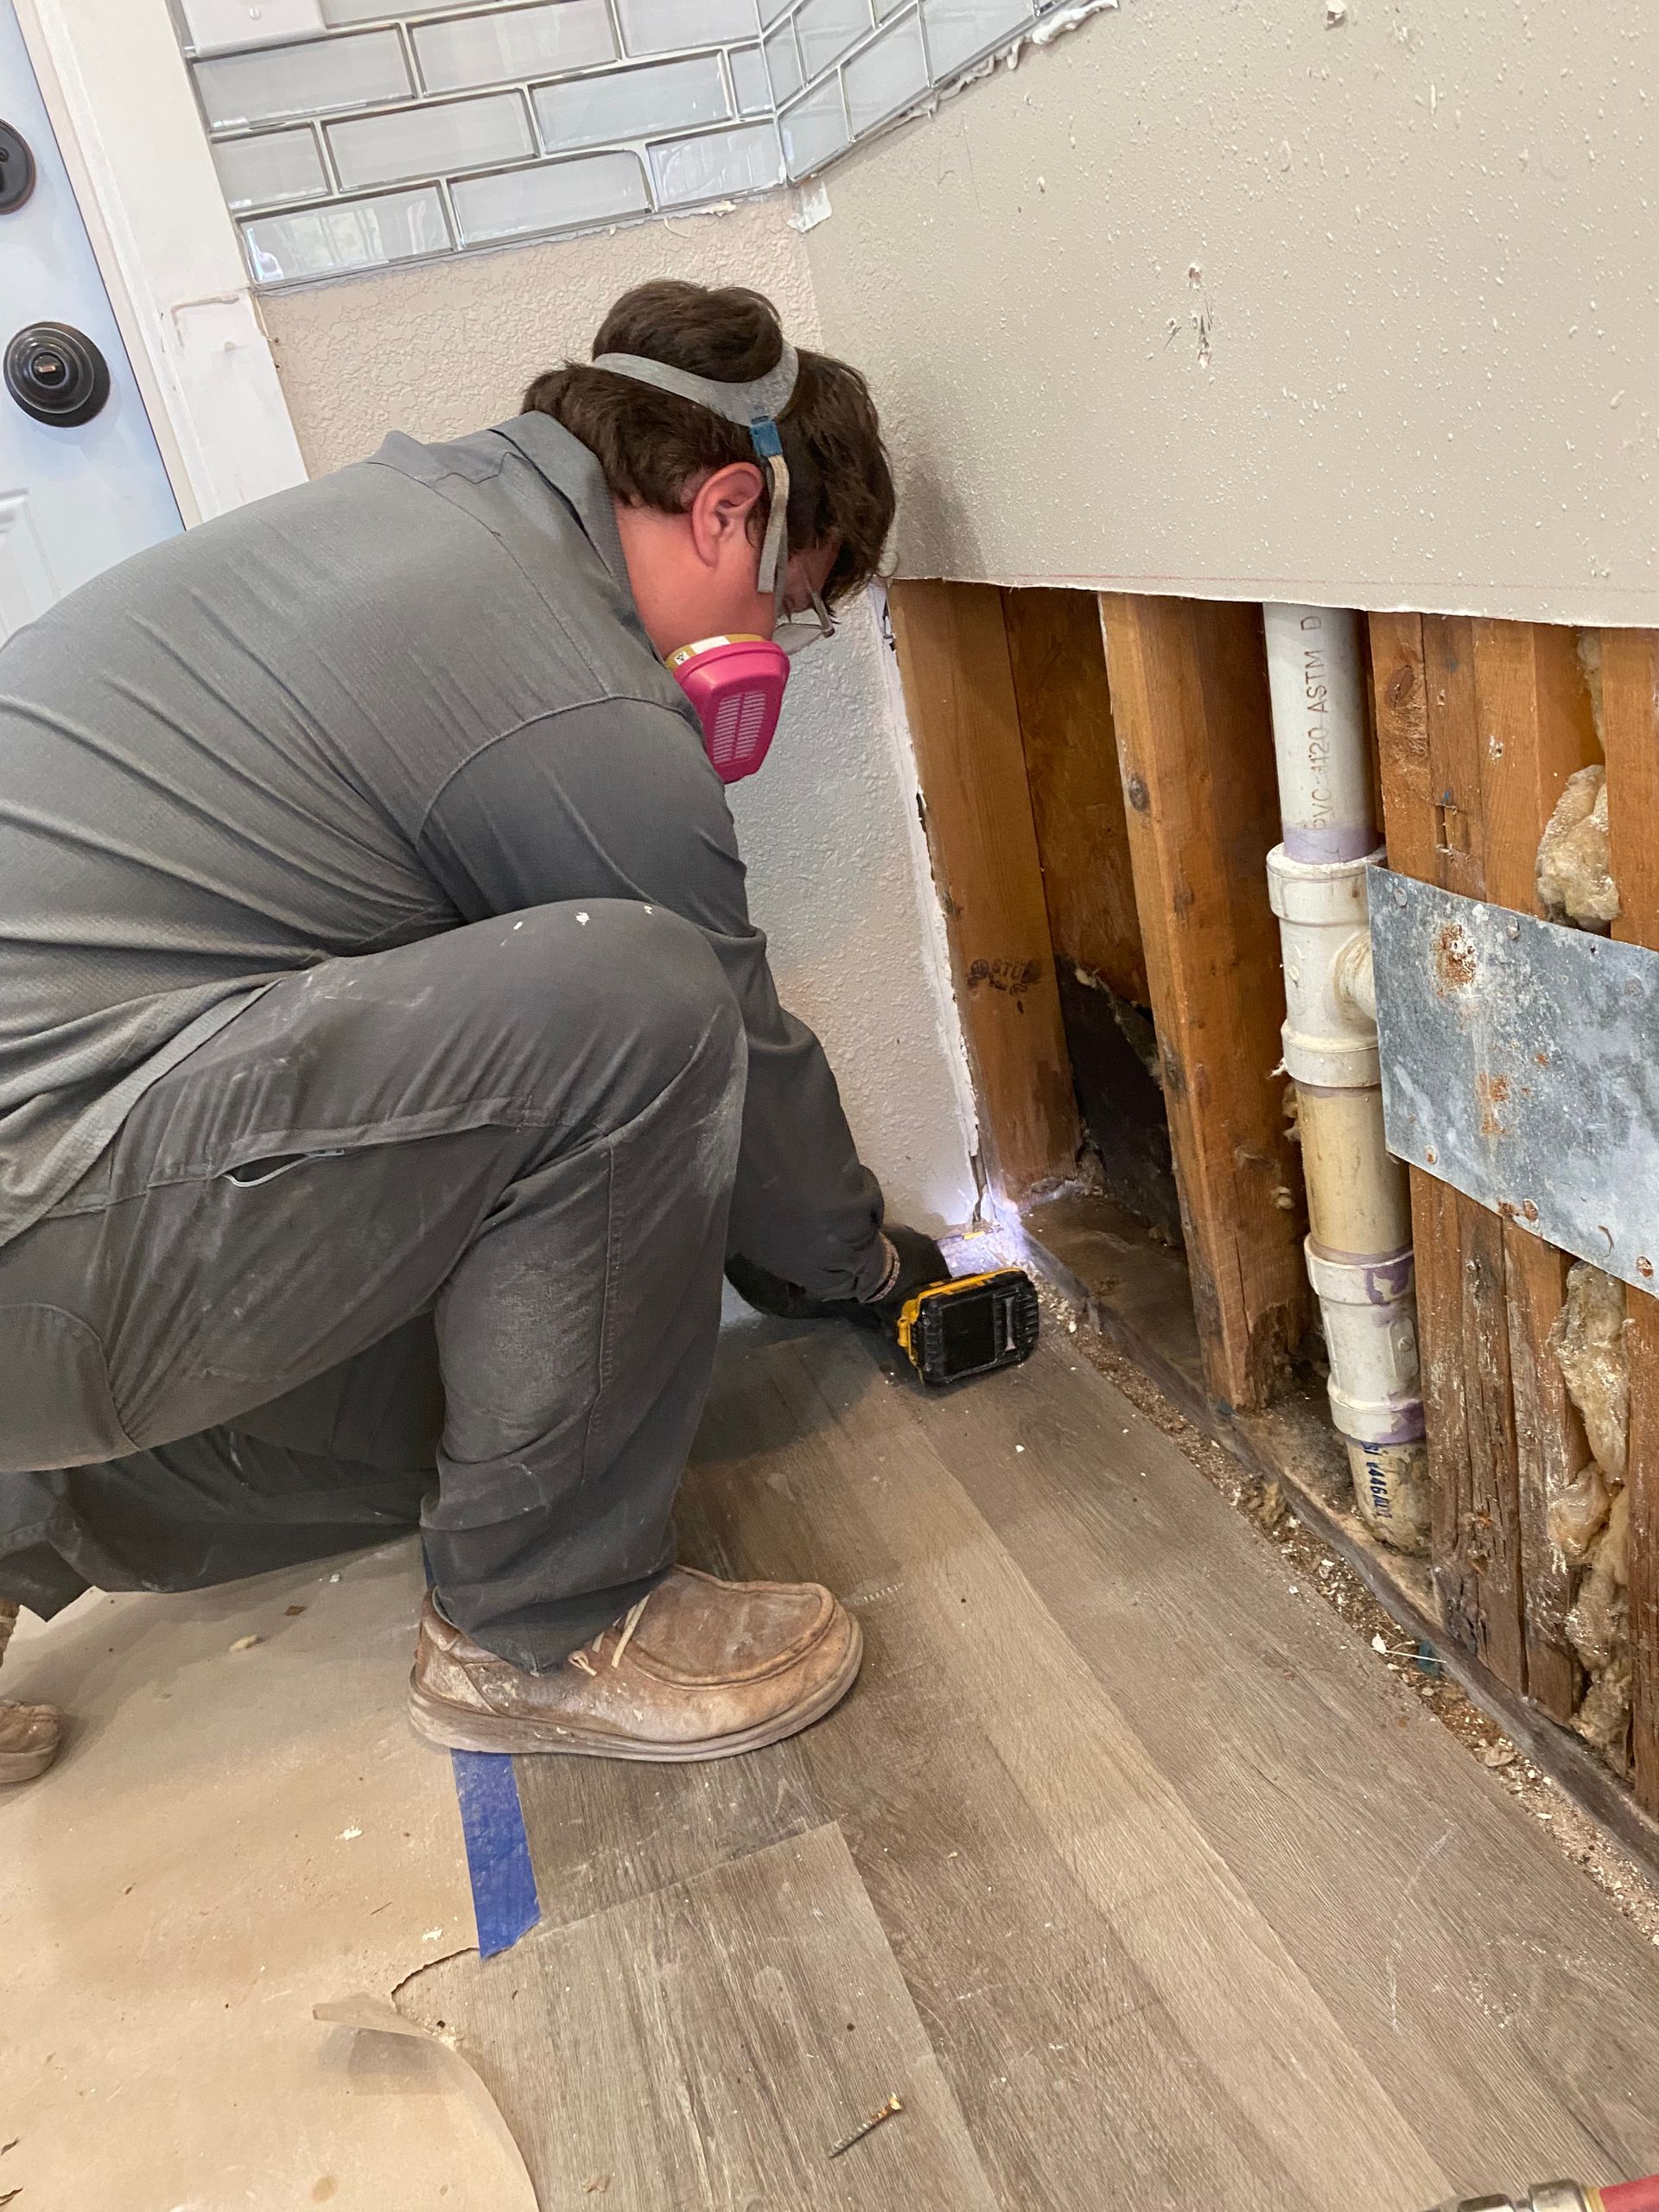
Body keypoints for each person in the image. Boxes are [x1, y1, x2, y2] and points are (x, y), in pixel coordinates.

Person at [0, 280, 950, 1783]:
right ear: (730, 510)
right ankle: (543, 1627)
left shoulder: (418, 529)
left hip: (53, 1193)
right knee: (638, 997)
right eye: (791, 595)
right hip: (39, 1209)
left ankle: (17, 1516)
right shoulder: (573, 697)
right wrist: (868, 1268)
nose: (770, 630)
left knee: (493, 1407)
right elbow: (733, 1058)